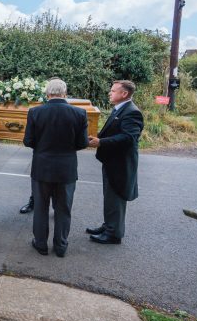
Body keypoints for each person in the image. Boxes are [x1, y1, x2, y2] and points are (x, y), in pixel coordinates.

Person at [23, 78, 89, 257]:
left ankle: (41, 244)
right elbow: (83, 143)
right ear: (65, 93)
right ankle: (60, 246)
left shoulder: (35, 112)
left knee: (41, 208)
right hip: (66, 169)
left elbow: (28, 141)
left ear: (47, 93)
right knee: (63, 209)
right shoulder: (80, 113)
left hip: (42, 168)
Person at [87, 80, 144, 245]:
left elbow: (128, 138)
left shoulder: (132, 112)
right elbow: (113, 132)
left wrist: (101, 142)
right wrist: (96, 137)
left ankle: (114, 234)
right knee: (110, 197)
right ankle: (109, 226)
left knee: (116, 197)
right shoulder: (121, 109)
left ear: (124, 94)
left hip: (121, 164)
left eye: (113, 91)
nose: (110, 93)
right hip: (112, 161)